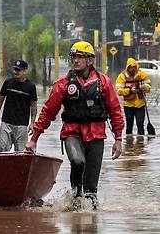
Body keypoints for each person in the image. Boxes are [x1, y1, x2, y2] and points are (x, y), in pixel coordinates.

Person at [25, 41, 124, 210]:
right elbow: (48, 112)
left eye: (80, 57)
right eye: (73, 57)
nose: (75, 61)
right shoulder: (63, 84)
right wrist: (34, 138)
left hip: (96, 135)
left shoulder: (103, 83)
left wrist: (118, 139)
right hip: (72, 133)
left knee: (92, 189)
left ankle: (89, 217)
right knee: (77, 161)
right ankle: (76, 196)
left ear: (90, 60)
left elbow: (115, 110)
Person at [0, 59, 37, 152]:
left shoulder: (30, 86)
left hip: (22, 125)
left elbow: (33, 106)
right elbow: (0, 99)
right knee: (2, 147)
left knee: (21, 152)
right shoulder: (8, 82)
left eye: (18, 70)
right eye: (15, 69)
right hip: (6, 122)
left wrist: (32, 123)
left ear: (25, 71)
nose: (15, 72)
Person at [115, 57, 151, 136]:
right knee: (129, 126)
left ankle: (140, 144)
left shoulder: (142, 75)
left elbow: (149, 88)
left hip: (140, 104)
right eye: (131, 67)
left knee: (140, 125)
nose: (133, 69)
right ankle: (129, 144)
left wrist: (143, 87)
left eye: (135, 67)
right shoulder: (122, 76)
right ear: (128, 67)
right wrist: (130, 90)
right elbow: (119, 91)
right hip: (128, 105)